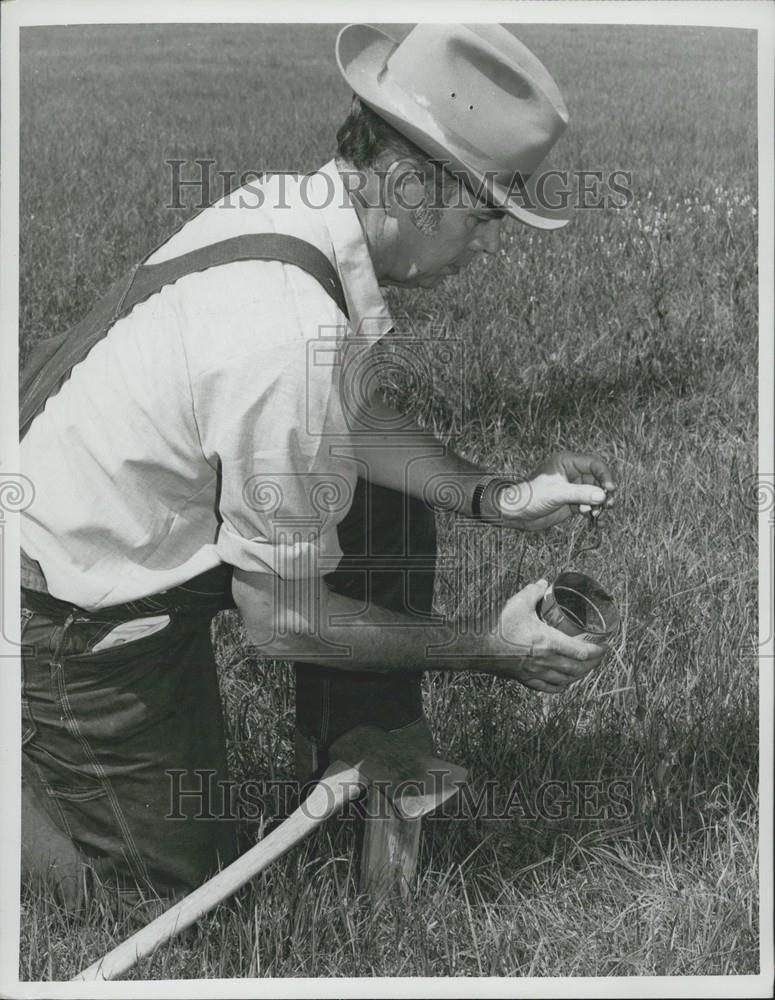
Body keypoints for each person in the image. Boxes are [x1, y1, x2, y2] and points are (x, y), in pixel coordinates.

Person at [19, 23, 615, 908]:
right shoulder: (284, 332)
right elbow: (280, 623)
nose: (486, 246)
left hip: (151, 512)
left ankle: (369, 743)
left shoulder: (301, 208)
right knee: (164, 899)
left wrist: (499, 498)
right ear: (412, 187)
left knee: (372, 496)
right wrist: (485, 648)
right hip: (71, 600)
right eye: (486, 215)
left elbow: (353, 419)